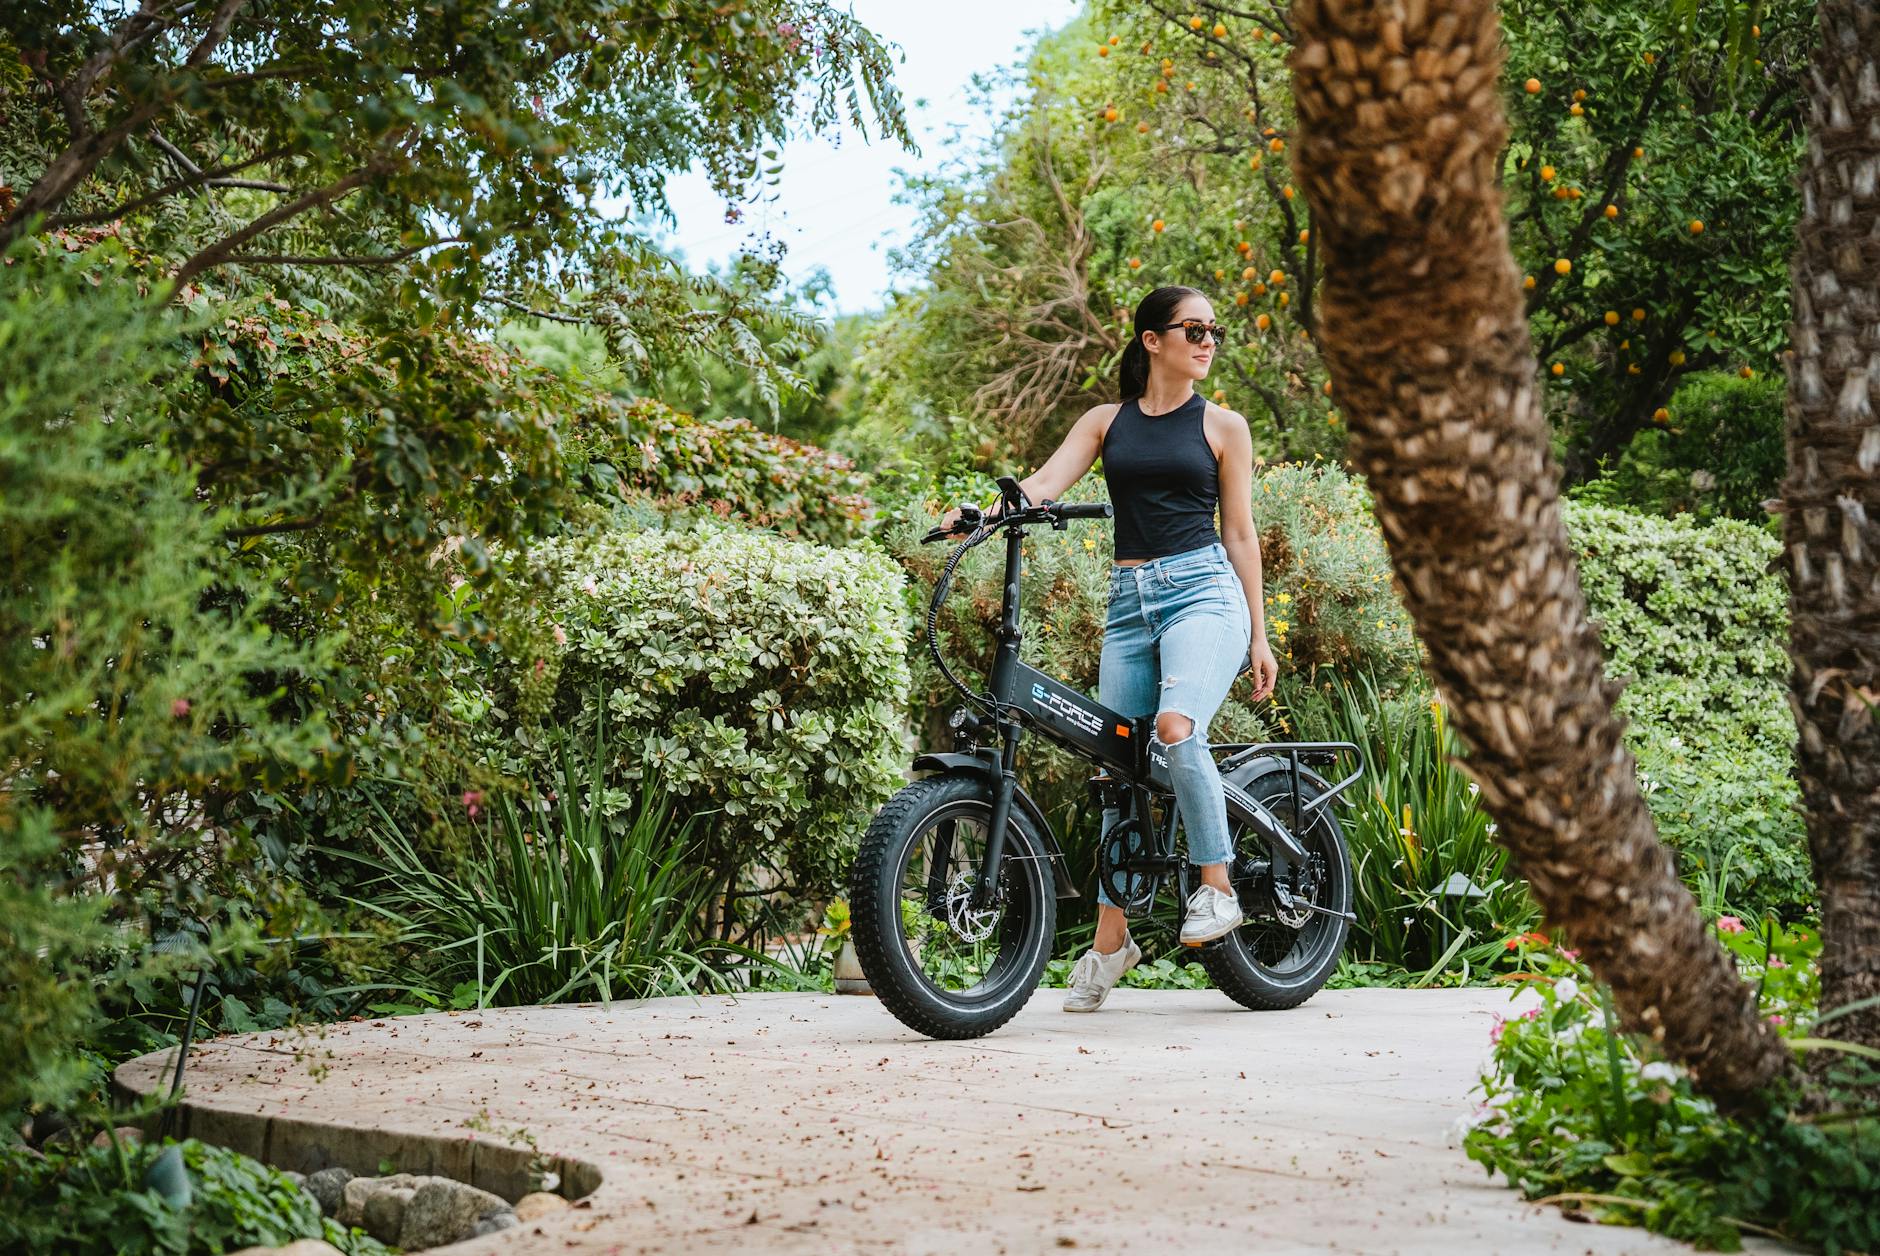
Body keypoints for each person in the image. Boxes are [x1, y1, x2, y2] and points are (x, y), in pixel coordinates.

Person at [940, 284, 1279, 1014]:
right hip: (1129, 607)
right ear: (1153, 340)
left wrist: (1258, 630)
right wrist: (981, 512)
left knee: (1175, 732)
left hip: (1202, 593)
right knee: (1118, 772)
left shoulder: (1224, 426)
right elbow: (1040, 484)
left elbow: (1240, 534)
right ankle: (1108, 943)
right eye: (1194, 329)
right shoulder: (1107, 422)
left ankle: (1216, 889)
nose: (1208, 340)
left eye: (1214, 330)